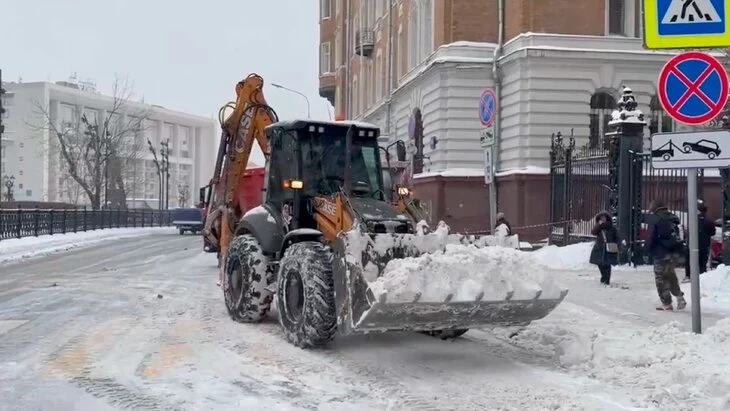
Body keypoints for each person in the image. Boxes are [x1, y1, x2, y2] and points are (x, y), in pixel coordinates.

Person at [645, 199, 687, 311]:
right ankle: (679, 297)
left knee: (661, 278)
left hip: (661, 253)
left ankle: (667, 303)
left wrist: (647, 251)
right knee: (671, 275)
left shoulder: (656, 218)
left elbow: (651, 237)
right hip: (673, 252)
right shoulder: (673, 217)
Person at [683, 200, 715, 283]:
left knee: (689, 260)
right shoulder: (709, 221)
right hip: (704, 245)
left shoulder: (693, 220)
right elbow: (713, 233)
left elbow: (688, 232)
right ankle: (702, 275)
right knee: (702, 262)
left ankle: (688, 275)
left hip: (692, 244)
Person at [589, 211, 619, 286]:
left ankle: (607, 279)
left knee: (607, 264)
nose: (603, 219)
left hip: (609, 248)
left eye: (604, 217)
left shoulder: (612, 228)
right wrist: (598, 224)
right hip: (599, 248)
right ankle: (603, 276)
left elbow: (617, 237)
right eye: (601, 218)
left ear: (607, 218)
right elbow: (593, 232)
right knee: (600, 264)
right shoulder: (599, 227)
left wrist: (619, 245)